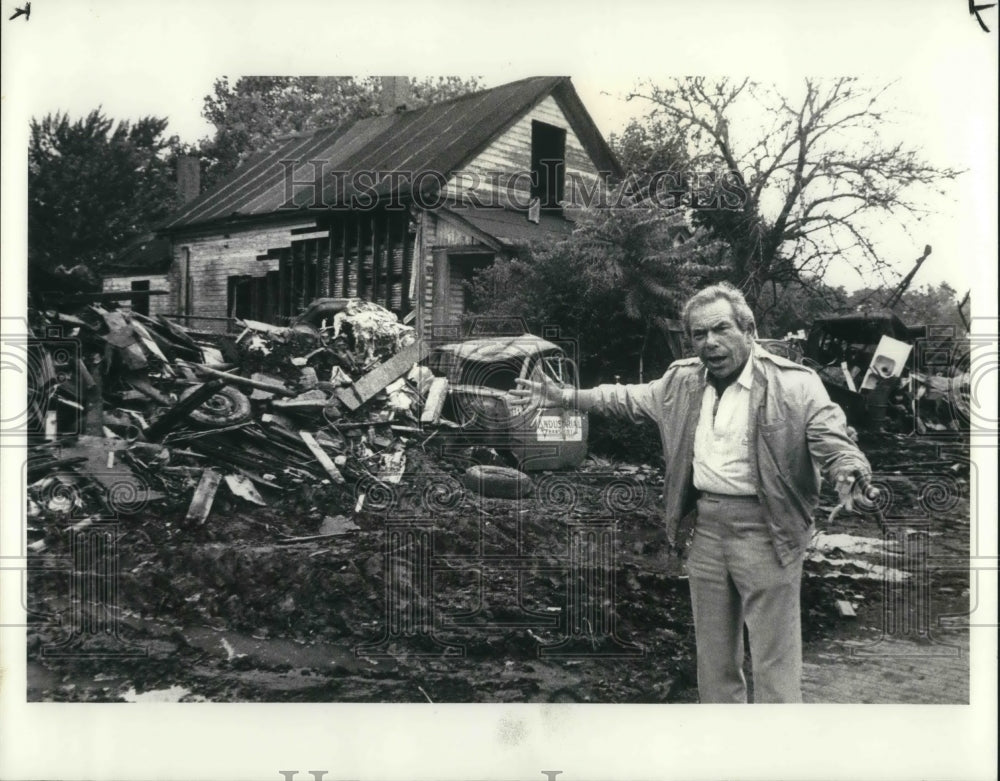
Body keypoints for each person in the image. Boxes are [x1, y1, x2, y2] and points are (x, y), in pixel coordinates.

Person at [509, 282, 873, 703]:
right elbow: (624, 398)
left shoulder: (796, 386)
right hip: (707, 530)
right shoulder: (681, 382)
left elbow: (832, 438)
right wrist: (564, 396)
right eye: (699, 335)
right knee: (714, 659)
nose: (710, 343)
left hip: (768, 529)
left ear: (748, 330)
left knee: (775, 659)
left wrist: (850, 470)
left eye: (720, 329)